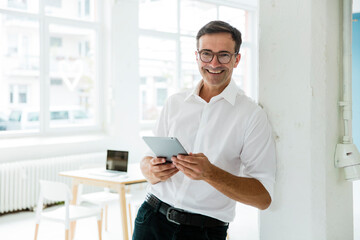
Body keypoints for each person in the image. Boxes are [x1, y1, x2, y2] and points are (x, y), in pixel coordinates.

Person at [133, 20, 276, 240]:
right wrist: (149, 170)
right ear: (197, 56)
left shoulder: (251, 115)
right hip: (151, 219)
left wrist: (210, 173)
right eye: (207, 54)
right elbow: (148, 159)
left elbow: (263, 198)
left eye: (224, 55)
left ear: (237, 59)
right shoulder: (174, 102)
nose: (214, 63)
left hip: (204, 231)